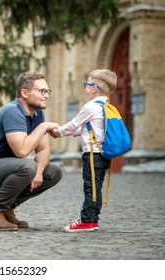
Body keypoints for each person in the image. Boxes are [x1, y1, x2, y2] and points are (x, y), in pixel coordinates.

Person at [0, 72, 63, 231]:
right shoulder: (12, 111)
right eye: (41, 91)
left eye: (47, 91)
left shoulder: (38, 114)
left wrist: (38, 172)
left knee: (54, 171)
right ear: (25, 93)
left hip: (6, 169)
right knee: (27, 167)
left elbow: (44, 149)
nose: (46, 96)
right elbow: (22, 152)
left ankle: (7, 208)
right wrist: (44, 127)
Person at [50, 69, 117, 232]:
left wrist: (58, 132)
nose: (85, 88)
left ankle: (86, 220)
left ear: (93, 88)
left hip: (92, 154)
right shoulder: (106, 106)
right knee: (96, 187)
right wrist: (67, 132)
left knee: (90, 187)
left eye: (86, 84)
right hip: (104, 155)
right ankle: (94, 219)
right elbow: (85, 129)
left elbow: (74, 124)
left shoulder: (90, 107)